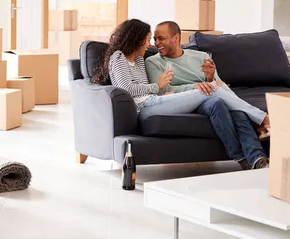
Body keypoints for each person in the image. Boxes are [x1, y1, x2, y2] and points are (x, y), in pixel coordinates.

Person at [91, 19, 269, 170]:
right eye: (148, 40)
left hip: (156, 100)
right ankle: (262, 119)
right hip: (144, 108)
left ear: (176, 38)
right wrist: (157, 86)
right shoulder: (119, 57)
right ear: (136, 40)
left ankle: (252, 156)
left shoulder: (138, 59)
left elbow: (147, 88)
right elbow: (127, 89)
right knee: (212, 90)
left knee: (218, 93)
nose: (150, 44)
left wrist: (166, 93)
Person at [145, 20, 272, 141]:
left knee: (236, 111)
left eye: (161, 38)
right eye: (154, 39)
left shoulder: (202, 56)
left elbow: (218, 84)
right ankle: (263, 118)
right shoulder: (153, 61)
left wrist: (210, 77)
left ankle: (256, 154)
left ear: (176, 38)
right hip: (186, 99)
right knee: (215, 90)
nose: (156, 43)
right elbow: (163, 90)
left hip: (209, 93)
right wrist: (195, 87)